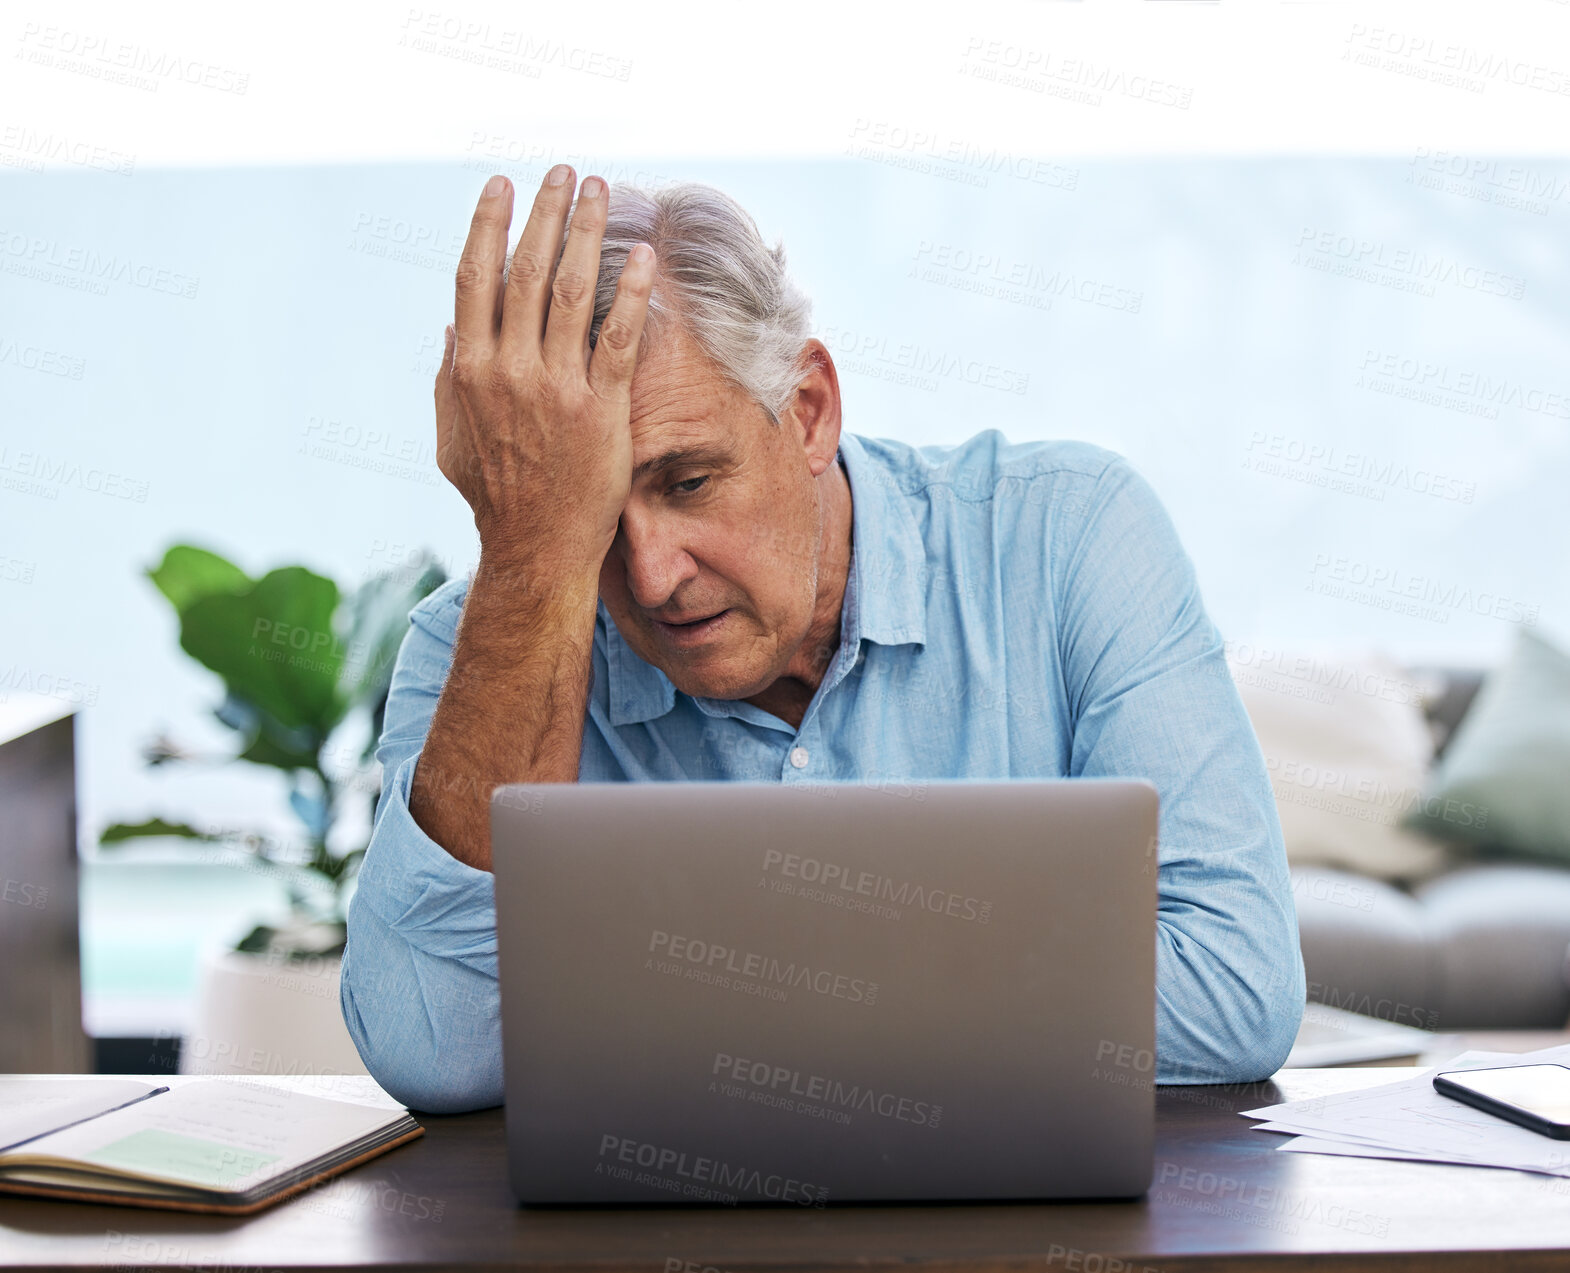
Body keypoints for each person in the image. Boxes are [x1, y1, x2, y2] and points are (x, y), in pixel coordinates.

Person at [339, 166, 1305, 1112]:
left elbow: (1231, 989)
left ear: (807, 411)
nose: (651, 574)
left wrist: (711, 982)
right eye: (591, 514)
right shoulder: (482, 635)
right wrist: (534, 554)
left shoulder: (1072, 538)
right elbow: (438, 1046)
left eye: (686, 483)